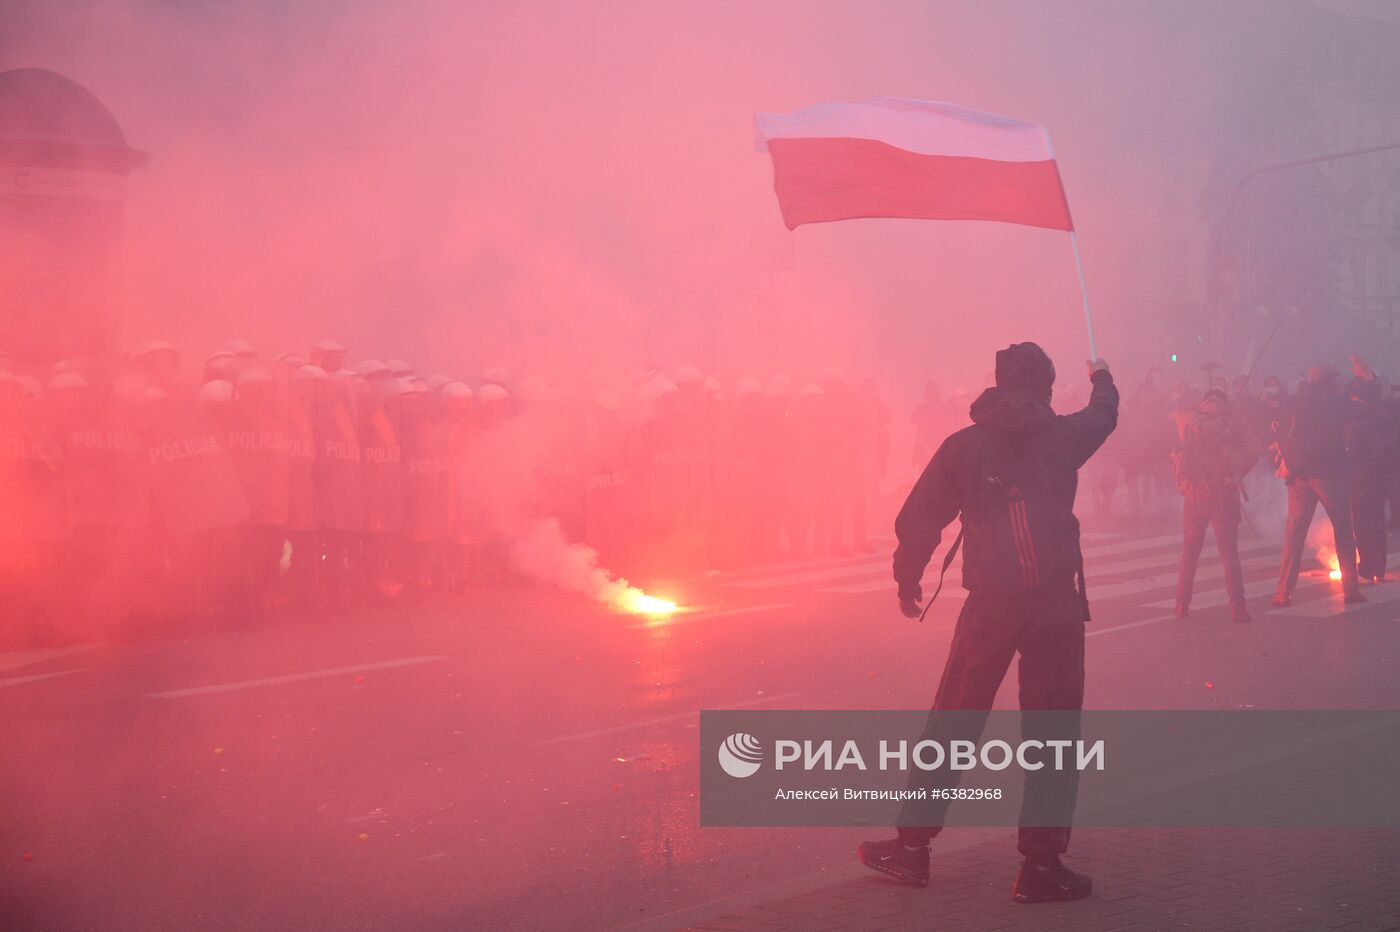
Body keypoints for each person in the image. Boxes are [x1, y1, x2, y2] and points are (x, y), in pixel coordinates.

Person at [857, 343, 1118, 904]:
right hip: (1054, 606)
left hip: (991, 607)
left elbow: (919, 517)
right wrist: (1101, 376)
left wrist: (907, 580)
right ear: (1047, 387)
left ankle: (912, 848)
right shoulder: (1064, 437)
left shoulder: (964, 446)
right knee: (1052, 735)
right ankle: (1041, 866)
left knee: (953, 721)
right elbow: (1105, 415)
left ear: (999, 383)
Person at [1272, 364, 1362, 606]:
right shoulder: (1335, 401)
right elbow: (1362, 413)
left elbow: (1279, 430)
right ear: (1330, 381)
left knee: (1294, 534)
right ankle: (1351, 590)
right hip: (1329, 474)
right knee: (1343, 531)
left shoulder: (1295, 401)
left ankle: (1282, 592)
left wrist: (1290, 461)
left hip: (1298, 476)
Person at [1170, 389, 1260, 622]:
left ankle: (1181, 604)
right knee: (1229, 554)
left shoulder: (1190, 419)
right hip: (1224, 495)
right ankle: (1238, 607)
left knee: (1190, 553)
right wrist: (1237, 472)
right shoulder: (1232, 423)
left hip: (1194, 495)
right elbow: (1253, 450)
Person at [1343, 356, 1395, 583]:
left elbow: (1352, 454)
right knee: (1378, 524)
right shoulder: (1385, 417)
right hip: (1382, 480)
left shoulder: (1358, 422)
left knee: (1363, 525)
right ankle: (1379, 568)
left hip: (1362, 480)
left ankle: (1366, 567)